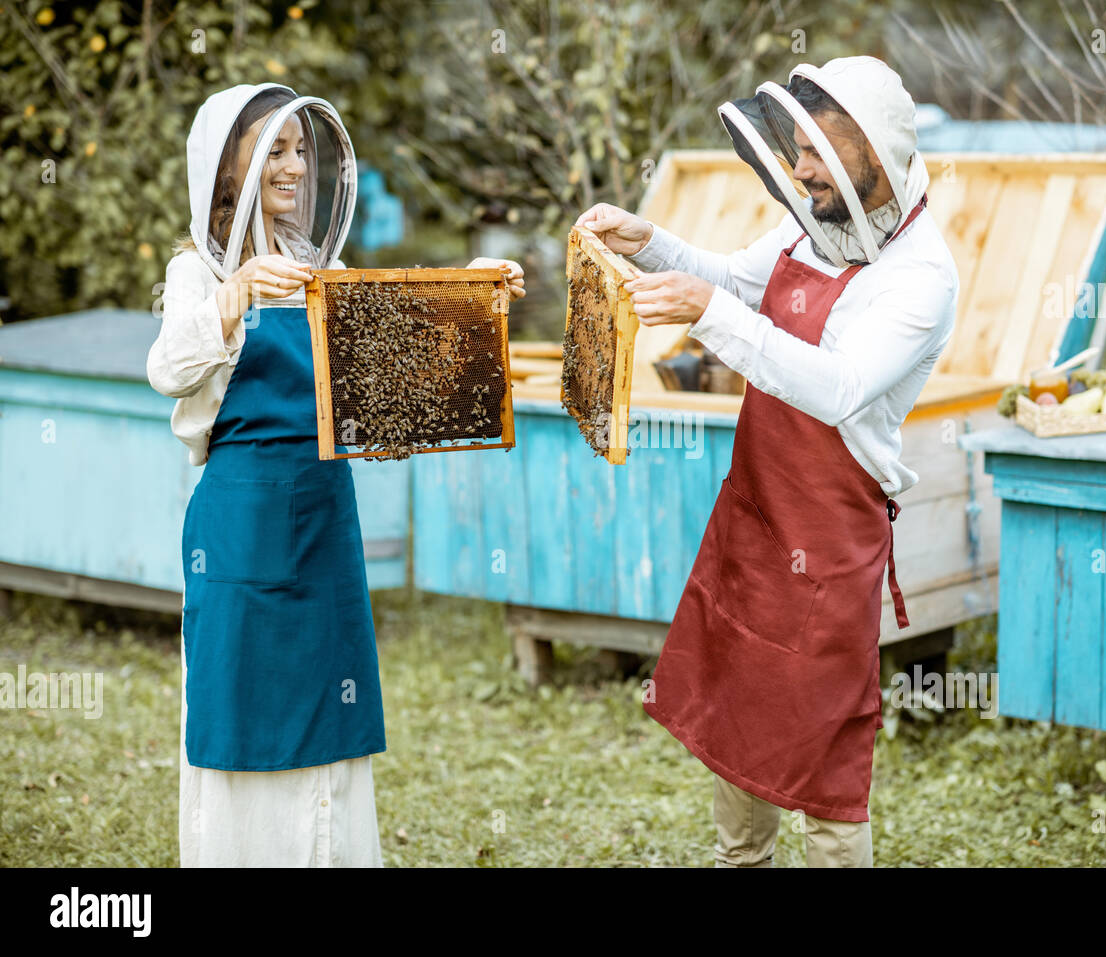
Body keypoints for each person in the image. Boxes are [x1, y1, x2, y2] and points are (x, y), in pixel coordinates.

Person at [577, 56, 958, 868]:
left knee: (828, 752)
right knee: (739, 710)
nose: (802, 167)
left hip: (831, 535)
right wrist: (652, 244)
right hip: (757, 515)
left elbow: (838, 387)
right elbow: (728, 282)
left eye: (821, 149)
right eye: (798, 145)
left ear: (876, 152)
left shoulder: (920, 278)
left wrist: (707, 313)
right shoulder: (811, 222)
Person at [148, 82, 525, 867]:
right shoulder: (198, 270)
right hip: (242, 527)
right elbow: (169, 368)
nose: (292, 166)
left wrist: (475, 295)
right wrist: (234, 295)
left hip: (325, 516)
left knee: (330, 707)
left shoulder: (323, 266)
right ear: (228, 168)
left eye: (299, 150)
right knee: (241, 707)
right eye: (274, 149)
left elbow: (394, 372)